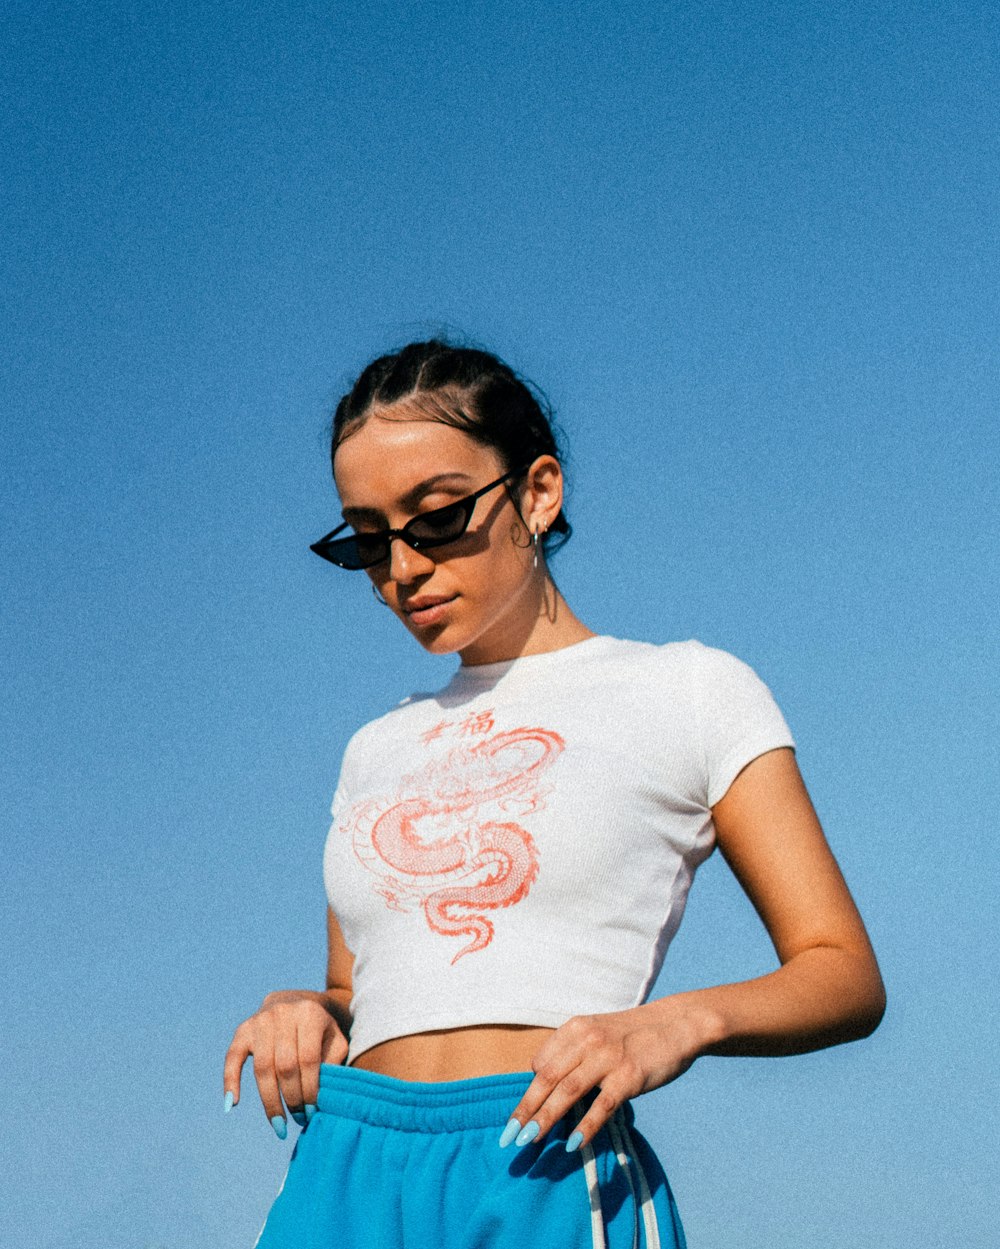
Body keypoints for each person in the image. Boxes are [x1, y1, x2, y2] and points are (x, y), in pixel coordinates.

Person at [224, 339, 885, 1249]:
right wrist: (302, 1008)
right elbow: (358, 990)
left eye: (438, 515)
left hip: (545, 1156)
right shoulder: (375, 746)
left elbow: (841, 969)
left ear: (537, 491)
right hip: (343, 1166)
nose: (403, 567)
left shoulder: (689, 689)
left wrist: (674, 1025)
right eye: (368, 539)